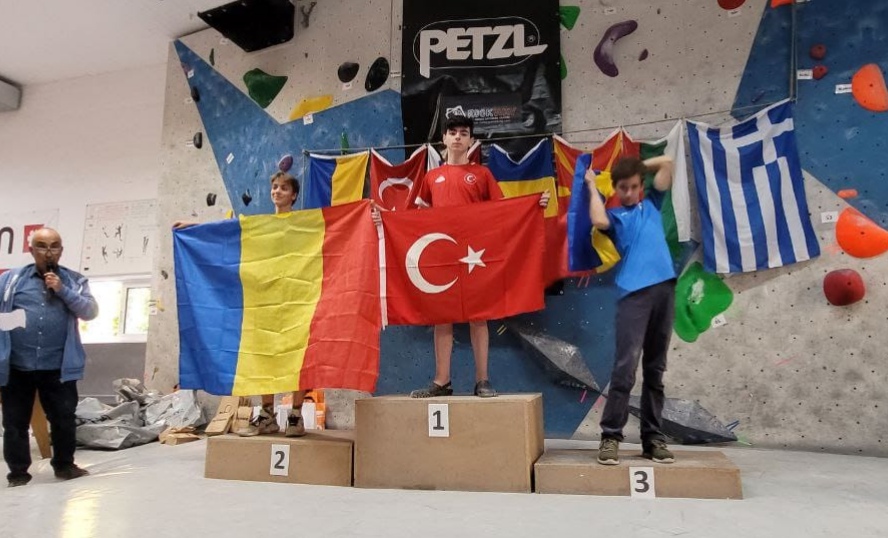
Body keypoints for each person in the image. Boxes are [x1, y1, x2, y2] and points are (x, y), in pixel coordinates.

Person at [402, 115, 550, 399]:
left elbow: (503, 212)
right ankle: (442, 381)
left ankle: (482, 380)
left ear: (471, 140)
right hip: (443, 255)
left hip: (474, 255)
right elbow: (417, 220)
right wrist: (385, 221)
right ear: (444, 138)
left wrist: (534, 205)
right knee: (442, 318)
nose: (458, 137)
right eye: (453, 132)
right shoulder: (431, 177)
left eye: (463, 133)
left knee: (478, 317)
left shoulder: (482, 174)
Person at [174, 171, 309, 437]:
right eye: (274, 187)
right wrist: (193, 228)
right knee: (266, 357)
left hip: (297, 301)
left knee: (299, 359)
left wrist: (365, 214)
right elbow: (226, 233)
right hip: (265, 302)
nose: (277, 191)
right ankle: (268, 415)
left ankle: (295, 416)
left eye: (284, 188)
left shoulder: (305, 225)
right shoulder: (260, 226)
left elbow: (335, 232)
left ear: (294, 195)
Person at [586, 155, 676, 465]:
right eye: (622, 188)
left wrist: (636, 167)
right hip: (633, 294)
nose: (629, 192)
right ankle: (611, 436)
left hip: (665, 290)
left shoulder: (651, 204)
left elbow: (668, 163)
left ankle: (653, 439)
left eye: (634, 186)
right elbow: (598, 221)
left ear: (640, 186)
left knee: (655, 369)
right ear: (615, 189)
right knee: (625, 367)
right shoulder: (615, 217)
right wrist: (591, 185)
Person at [0, 228, 99, 487]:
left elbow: (90, 311)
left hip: (58, 366)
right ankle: (18, 473)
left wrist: (62, 290)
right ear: (31, 250)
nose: (48, 252)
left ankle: (65, 465)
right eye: (42, 246)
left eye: (54, 246)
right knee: (14, 423)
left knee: (63, 418)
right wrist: (12, 321)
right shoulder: (10, 280)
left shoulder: (74, 280)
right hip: (17, 366)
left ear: (61, 251)